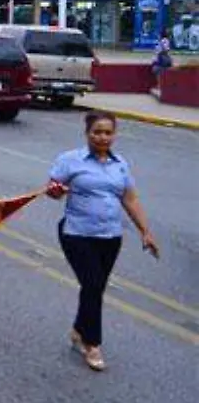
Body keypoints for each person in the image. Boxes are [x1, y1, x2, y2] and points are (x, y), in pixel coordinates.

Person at [45, 110, 159, 372]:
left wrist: (145, 230)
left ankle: (78, 327)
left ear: (115, 135)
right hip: (77, 233)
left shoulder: (120, 164)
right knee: (93, 284)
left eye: (108, 132)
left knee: (94, 287)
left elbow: (129, 198)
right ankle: (92, 343)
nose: (102, 137)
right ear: (87, 134)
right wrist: (56, 191)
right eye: (97, 132)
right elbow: (52, 189)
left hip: (110, 236)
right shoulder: (70, 160)